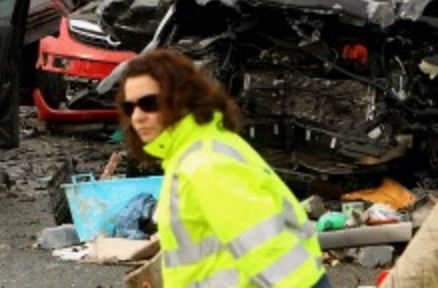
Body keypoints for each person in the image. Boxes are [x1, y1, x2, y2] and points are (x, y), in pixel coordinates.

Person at [119, 49, 328, 288]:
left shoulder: (204, 165)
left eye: (149, 103)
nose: (137, 117)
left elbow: (271, 252)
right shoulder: (195, 152)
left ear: (181, 98)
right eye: (129, 107)